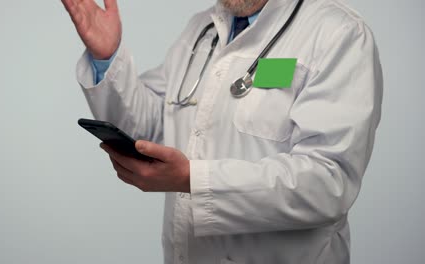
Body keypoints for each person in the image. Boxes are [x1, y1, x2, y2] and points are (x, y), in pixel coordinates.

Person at [61, 0, 383, 263]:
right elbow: (154, 127)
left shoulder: (338, 34)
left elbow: (327, 182)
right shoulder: (200, 30)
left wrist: (194, 180)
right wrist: (107, 57)